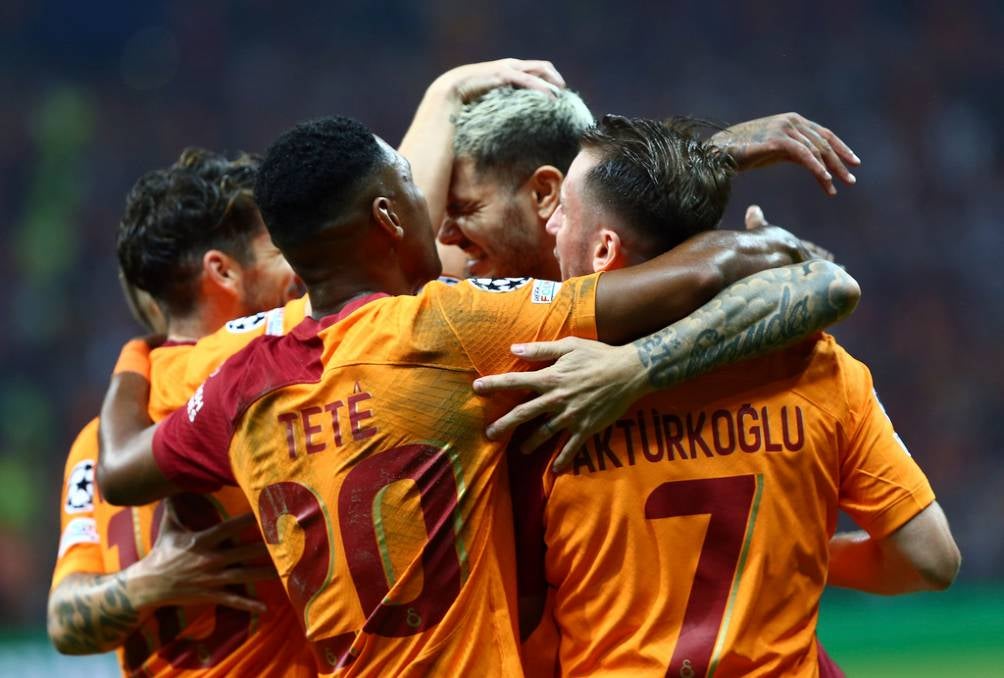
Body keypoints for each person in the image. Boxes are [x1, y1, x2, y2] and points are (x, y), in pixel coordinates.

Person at [95, 115, 859, 676]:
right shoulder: (447, 326)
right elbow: (722, 265)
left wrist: (135, 355)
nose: (440, 221)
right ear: (389, 216)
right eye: (416, 191)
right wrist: (721, 190)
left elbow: (123, 468)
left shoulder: (240, 383)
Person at [473, 116, 961, 676]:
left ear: (605, 250)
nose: (551, 223)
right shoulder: (818, 366)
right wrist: (806, 554)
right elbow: (930, 559)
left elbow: (522, 618)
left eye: (564, 208)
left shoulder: (540, 390)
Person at [47, 148, 316, 676]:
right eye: (277, 249)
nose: (298, 268)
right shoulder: (264, 376)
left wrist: (141, 585)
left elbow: (65, 621)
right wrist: (156, 578)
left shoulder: (99, 436)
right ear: (223, 271)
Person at [398, 59, 860, 281]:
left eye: (465, 208)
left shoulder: (641, 283)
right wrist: (444, 92)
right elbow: (393, 259)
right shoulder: (470, 279)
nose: (443, 234)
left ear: (544, 193)